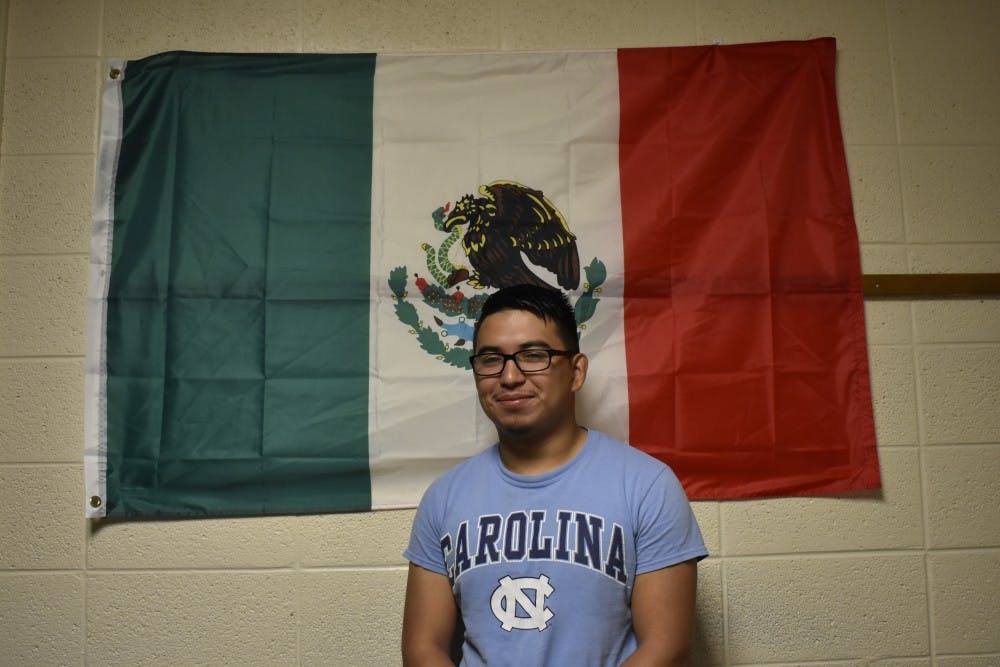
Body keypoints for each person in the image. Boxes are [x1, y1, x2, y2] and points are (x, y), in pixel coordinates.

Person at [402, 284, 707, 666]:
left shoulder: (647, 486)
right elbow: (422, 648)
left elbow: (666, 649)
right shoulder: (444, 497)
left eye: (534, 356)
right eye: (491, 359)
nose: (509, 377)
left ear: (576, 371)